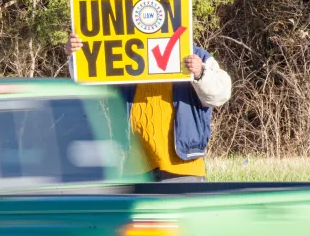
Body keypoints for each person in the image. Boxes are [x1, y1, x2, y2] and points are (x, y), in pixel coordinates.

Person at [66, 33, 233, 182]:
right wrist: (79, 55)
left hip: (183, 168)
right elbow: (87, 82)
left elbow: (221, 94)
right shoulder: (123, 54)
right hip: (136, 169)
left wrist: (200, 72)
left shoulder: (196, 55)